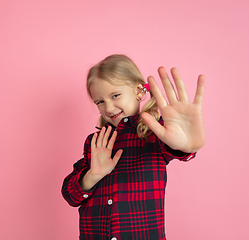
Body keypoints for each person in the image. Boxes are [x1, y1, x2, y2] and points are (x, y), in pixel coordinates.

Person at [61, 54, 206, 240]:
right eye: (100, 101)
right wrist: (92, 176)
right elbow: (71, 195)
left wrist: (187, 146)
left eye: (115, 95)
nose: (109, 108)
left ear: (139, 91)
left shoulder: (154, 132)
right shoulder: (95, 142)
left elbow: (177, 148)